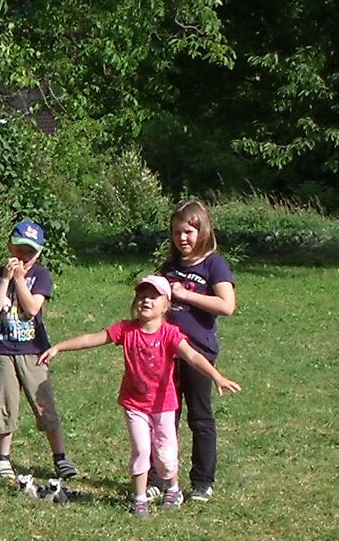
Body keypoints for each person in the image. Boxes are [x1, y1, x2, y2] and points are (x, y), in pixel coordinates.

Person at [44, 275, 243, 517]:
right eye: (142, 296)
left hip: (164, 405)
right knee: (141, 450)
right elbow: (92, 339)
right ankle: (140, 498)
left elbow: (192, 356)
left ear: (166, 305)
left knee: (166, 455)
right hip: (134, 404)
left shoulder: (170, 334)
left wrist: (217, 376)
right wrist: (59, 347)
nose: (146, 301)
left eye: (153, 297)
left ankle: (173, 489)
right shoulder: (126, 330)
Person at [0, 220, 76, 498]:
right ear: (9, 246)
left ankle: (59, 456)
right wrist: (5, 280)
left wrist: (20, 280)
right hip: (3, 349)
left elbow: (33, 307)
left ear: (39, 253)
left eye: (30, 252)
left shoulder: (41, 275)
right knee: (5, 402)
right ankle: (3, 457)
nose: (23, 257)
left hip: (33, 351)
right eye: (19, 249)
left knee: (43, 402)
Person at [159, 198, 239, 504]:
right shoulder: (169, 267)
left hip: (198, 353)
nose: (182, 238)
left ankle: (202, 482)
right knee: (165, 417)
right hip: (166, 352)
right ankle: (160, 478)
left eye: (188, 232)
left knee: (200, 417)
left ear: (202, 231)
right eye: (177, 232)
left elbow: (227, 305)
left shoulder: (213, 264)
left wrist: (184, 295)